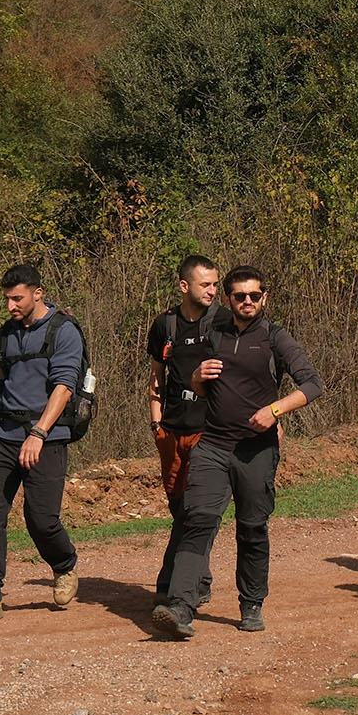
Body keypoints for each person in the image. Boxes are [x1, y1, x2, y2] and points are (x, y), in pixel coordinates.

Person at [152, 266, 326, 639]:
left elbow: (313, 384)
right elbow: (198, 387)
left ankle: (251, 603)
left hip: (255, 451)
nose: (248, 301)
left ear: (265, 297)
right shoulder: (213, 333)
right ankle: (181, 606)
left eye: (254, 295)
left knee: (251, 528)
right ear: (229, 300)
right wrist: (197, 380)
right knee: (196, 521)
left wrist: (275, 411)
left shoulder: (275, 338)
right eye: (240, 296)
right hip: (212, 445)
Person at [0, 264, 82, 624]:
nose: (10, 305)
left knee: (41, 520)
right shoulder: (5, 335)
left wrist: (39, 433)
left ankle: (64, 564)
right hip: (3, 436)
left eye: (17, 298)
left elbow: (64, 387)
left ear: (37, 293)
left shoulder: (64, 331)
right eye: (7, 299)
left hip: (47, 438)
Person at [146, 254, 222, 609]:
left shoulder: (223, 321)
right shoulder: (165, 325)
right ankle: (199, 578)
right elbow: (156, 377)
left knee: (198, 509)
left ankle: (174, 583)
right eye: (205, 284)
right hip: (171, 432)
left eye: (215, 284)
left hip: (210, 432)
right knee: (180, 509)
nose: (212, 291)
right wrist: (156, 422)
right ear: (184, 286)